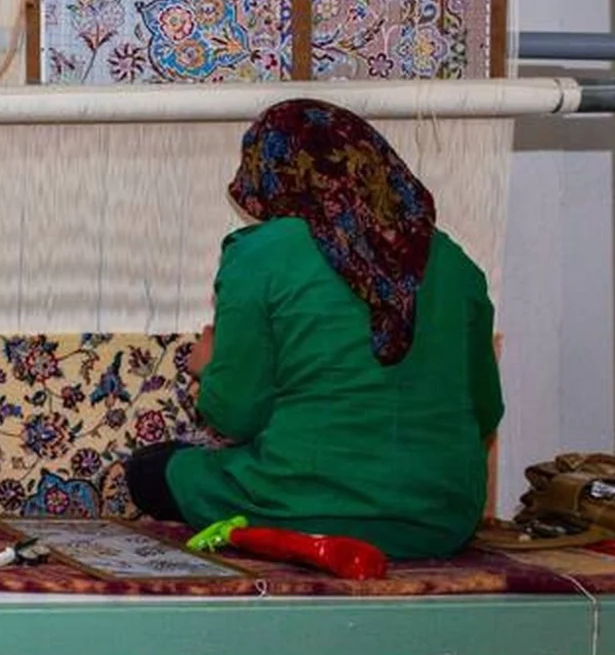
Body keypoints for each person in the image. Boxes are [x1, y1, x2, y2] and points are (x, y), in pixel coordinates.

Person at [123, 98, 502, 562]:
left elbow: (237, 416)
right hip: (439, 521)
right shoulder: (457, 266)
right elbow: (484, 412)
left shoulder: (259, 254)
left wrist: (208, 368)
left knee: (148, 470)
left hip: (298, 510)